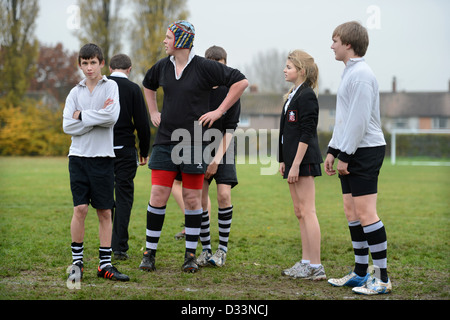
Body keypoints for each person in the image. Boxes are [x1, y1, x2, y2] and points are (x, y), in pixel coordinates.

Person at [139, 21, 248, 273]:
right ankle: (149, 253)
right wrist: (154, 111)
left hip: (195, 144)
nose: (164, 41)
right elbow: (147, 84)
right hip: (165, 141)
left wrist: (220, 110)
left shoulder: (204, 67)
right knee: (158, 196)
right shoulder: (162, 67)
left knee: (191, 199)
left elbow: (241, 81)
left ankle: (190, 255)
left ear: (181, 41)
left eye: (168, 37)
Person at [324, 21, 391, 295]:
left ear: (348, 44)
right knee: (351, 212)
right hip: (352, 150)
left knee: (365, 213)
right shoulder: (349, 73)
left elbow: (360, 121)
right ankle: (361, 273)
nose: (332, 45)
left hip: (365, 150)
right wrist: (332, 149)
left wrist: (346, 154)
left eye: (335, 40)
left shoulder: (361, 74)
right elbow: (345, 120)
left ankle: (383, 278)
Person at [63, 43, 129, 282]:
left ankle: (104, 265)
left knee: (104, 212)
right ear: (80, 64)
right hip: (78, 157)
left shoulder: (110, 86)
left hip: (103, 158)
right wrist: (95, 118)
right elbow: (66, 126)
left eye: (93, 62)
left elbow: (112, 117)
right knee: (80, 209)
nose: (89, 68)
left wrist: (81, 115)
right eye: (84, 63)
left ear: (101, 63)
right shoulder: (74, 92)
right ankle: (77, 263)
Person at [277, 50, 326, 280]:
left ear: (301, 71)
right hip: (292, 163)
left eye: (289, 66)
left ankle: (316, 266)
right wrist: (283, 161)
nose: (285, 70)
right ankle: (306, 262)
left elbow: (307, 133)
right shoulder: (292, 94)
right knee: (299, 212)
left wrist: (296, 164)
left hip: (304, 161)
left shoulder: (307, 96)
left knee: (308, 211)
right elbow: (286, 132)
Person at [196, 45, 241, 268]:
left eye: (221, 65)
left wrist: (215, 161)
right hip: (198, 146)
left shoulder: (231, 91)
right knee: (201, 200)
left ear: (225, 64)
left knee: (223, 195)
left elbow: (230, 129)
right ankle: (205, 250)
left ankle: (222, 250)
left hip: (224, 146)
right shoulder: (198, 89)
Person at [108, 53, 151, 260]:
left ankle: (105, 242)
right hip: (125, 150)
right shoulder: (134, 89)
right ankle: (119, 247)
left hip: (101, 149)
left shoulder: (101, 86)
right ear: (129, 69)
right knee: (123, 197)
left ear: (109, 68)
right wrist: (144, 150)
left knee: (105, 196)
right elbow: (143, 123)